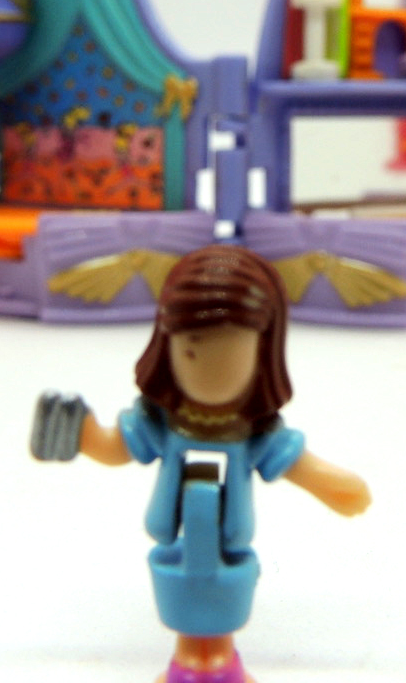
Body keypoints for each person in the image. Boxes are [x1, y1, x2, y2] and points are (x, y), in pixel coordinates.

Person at [32, 244, 371, 683]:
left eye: (225, 345)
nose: (200, 357)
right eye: (189, 343)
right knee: (179, 589)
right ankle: (190, 661)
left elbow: (289, 458)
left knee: (226, 589)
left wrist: (328, 481)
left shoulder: (253, 432)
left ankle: (221, 662)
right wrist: (84, 435)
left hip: (229, 544)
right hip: (176, 541)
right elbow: (117, 446)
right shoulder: (162, 421)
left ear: (261, 351)